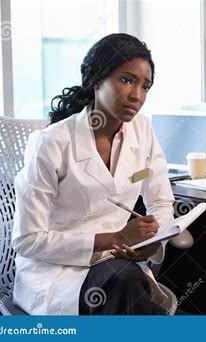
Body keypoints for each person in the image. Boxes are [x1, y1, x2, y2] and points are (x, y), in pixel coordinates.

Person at [12, 33, 174, 315]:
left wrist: (150, 242)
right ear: (97, 80)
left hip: (116, 263)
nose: (137, 95)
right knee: (126, 286)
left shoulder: (143, 130)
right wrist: (114, 238)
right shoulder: (52, 143)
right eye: (126, 80)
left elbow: (161, 202)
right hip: (57, 269)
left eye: (145, 86)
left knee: (126, 285)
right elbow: (28, 240)